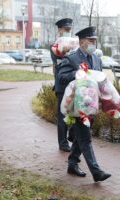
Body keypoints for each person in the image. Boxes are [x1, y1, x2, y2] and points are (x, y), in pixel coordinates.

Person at [58, 27, 111, 182]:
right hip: (77, 106)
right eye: (90, 40)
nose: (93, 43)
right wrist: (77, 73)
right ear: (82, 42)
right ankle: (96, 172)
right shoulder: (72, 58)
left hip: (92, 105)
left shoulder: (96, 58)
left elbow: (98, 77)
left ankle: (72, 163)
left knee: (80, 137)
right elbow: (61, 77)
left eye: (95, 40)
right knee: (85, 138)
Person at [50, 18, 74, 152]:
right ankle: (63, 142)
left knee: (75, 112)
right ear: (59, 30)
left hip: (74, 84)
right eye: (65, 30)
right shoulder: (55, 46)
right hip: (62, 84)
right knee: (62, 114)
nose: (67, 32)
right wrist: (65, 52)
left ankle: (72, 135)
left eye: (69, 30)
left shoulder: (75, 44)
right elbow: (58, 65)